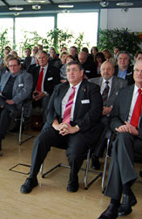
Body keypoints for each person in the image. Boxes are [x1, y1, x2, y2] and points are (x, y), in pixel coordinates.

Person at [98, 60, 142, 219]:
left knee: (119, 147)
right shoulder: (124, 92)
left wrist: (137, 131)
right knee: (122, 139)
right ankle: (120, 198)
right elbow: (114, 117)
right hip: (125, 138)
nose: (139, 73)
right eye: (137, 70)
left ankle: (117, 201)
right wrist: (119, 127)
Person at [20, 61, 103, 194]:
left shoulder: (92, 88)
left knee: (75, 152)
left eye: (74, 70)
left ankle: (73, 177)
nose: (71, 73)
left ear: (81, 73)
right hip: (59, 126)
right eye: (68, 70)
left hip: (79, 129)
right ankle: (32, 177)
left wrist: (75, 128)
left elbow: (95, 112)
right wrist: (56, 125)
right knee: (40, 141)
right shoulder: (60, 87)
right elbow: (50, 109)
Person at [88, 62, 128, 170]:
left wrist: (111, 109)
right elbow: (87, 101)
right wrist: (97, 109)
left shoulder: (122, 83)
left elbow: (124, 102)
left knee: (105, 124)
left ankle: (96, 155)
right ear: (100, 70)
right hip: (94, 113)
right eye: (103, 69)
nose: (106, 71)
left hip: (111, 115)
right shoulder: (92, 82)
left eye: (109, 69)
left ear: (113, 70)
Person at [0, 57, 33, 153]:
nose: (12, 68)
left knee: (5, 112)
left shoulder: (26, 76)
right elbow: (0, 87)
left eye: (15, 65)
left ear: (19, 66)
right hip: (3, 100)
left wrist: (13, 101)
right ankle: (9, 108)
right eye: (10, 66)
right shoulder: (5, 75)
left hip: (16, 103)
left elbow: (26, 92)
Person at [28, 51, 61, 123]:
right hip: (35, 93)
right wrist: (32, 93)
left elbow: (56, 85)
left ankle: (45, 125)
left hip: (47, 94)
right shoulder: (34, 70)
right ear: (37, 60)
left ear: (47, 58)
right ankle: (29, 123)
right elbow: (30, 84)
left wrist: (44, 93)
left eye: (43, 58)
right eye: (39, 58)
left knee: (46, 100)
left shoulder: (54, 70)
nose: (41, 60)